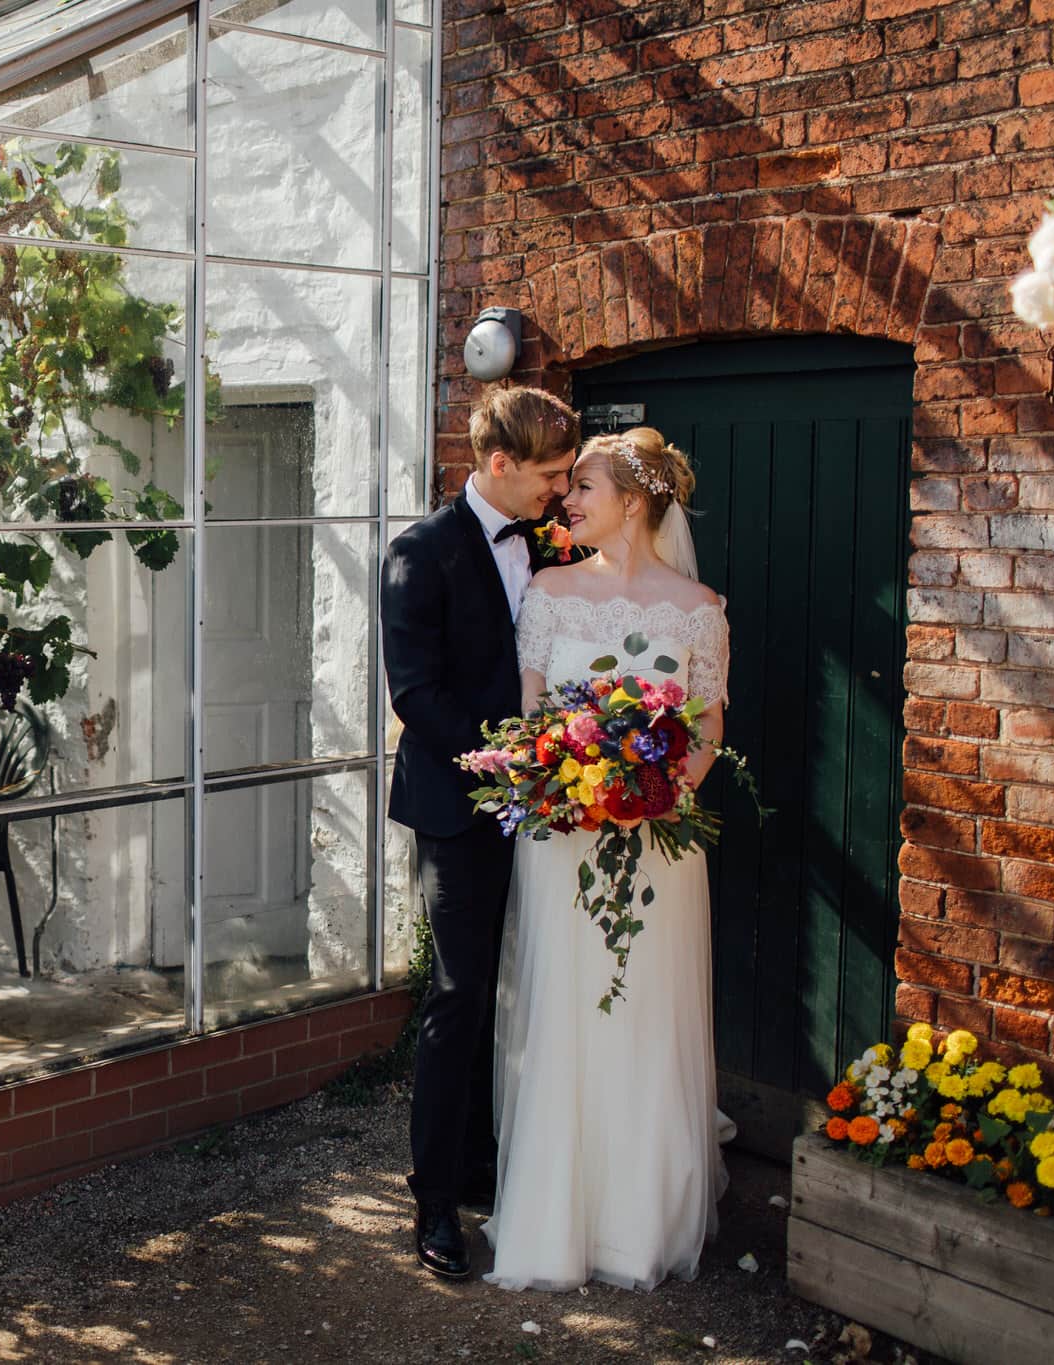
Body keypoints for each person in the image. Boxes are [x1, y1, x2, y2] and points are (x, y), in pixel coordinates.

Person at [483, 426, 732, 1292]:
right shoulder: (549, 593)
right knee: (566, 1013)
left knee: (644, 1016)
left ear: (634, 500)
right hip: (565, 843)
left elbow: (705, 727)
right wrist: (566, 785)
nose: (569, 501)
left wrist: (658, 792)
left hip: (657, 847)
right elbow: (529, 716)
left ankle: (636, 1226)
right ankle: (554, 1226)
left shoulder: (697, 607)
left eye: (584, 488)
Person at [380, 386, 579, 1280]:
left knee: (530, 988)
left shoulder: (553, 545)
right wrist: (504, 756)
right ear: (499, 463)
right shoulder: (418, 553)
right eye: (550, 474)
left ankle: (495, 1160)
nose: (561, 491)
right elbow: (414, 694)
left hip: (552, 807)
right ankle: (436, 1197)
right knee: (460, 995)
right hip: (459, 808)